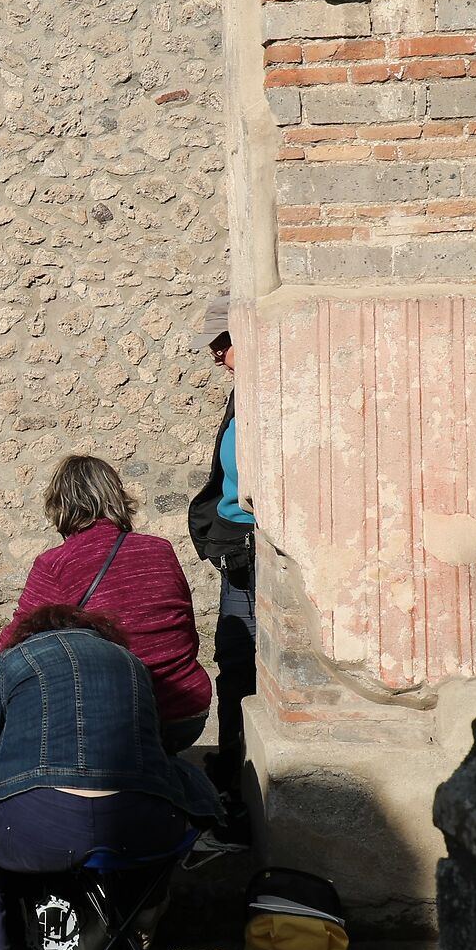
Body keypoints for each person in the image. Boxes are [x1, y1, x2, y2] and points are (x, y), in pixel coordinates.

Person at [0, 605, 220, 950]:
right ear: (97, 634)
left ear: (30, 634)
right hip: (145, 831)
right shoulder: (133, 665)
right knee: (159, 798)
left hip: (39, 826)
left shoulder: (18, 661)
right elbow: (155, 755)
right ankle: (141, 918)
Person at [0, 455, 213, 754]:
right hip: (186, 713)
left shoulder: (56, 564)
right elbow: (186, 632)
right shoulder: (161, 549)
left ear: (60, 505)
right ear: (117, 497)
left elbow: (7, 649)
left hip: (119, 720)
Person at [187, 296, 257, 823]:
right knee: (234, 659)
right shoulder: (245, 392)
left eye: (222, 342)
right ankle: (232, 765)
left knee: (242, 658)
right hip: (236, 544)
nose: (215, 354)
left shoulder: (267, 395)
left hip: (253, 548)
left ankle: (239, 778)